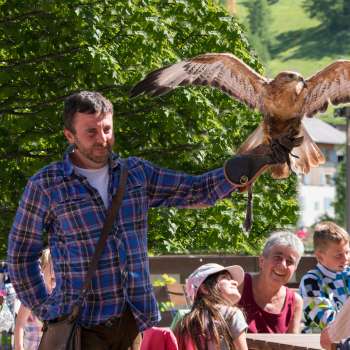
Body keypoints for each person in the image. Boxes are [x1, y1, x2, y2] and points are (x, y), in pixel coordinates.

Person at [7, 91, 298, 350]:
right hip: (81, 325)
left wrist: (237, 171)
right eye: (91, 132)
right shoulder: (47, 184)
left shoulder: (135, 174)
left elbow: (194, 190)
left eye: (107, 129)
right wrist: (46, 307)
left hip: (134, 324)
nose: (102, 138)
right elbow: (21, 254)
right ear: (70, 136)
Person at [238, 231, 304, 333]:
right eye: (277, 257)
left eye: (290, 261)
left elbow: (292, 345)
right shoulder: (240, 285)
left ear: (295, 269)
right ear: (262, 261)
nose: (283, 265)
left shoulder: (295, 302)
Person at [175, 263, 247, 350]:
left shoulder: (184, 322)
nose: (235, 282)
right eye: (224, 278)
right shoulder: (232, 314)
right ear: (205, 289)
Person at [299, 221, 350, 333]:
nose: (346, 258)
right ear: (320, 257)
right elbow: (326, 320)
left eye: (347, 252)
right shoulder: (311, 281)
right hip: (317, 341)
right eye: (339, 255)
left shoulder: (348, 275)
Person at [14, 248, 55, 350]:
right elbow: (19, 324)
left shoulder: (60, 295)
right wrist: (19, 347)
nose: (55, 272)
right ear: (42, 268)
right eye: (53, 267)